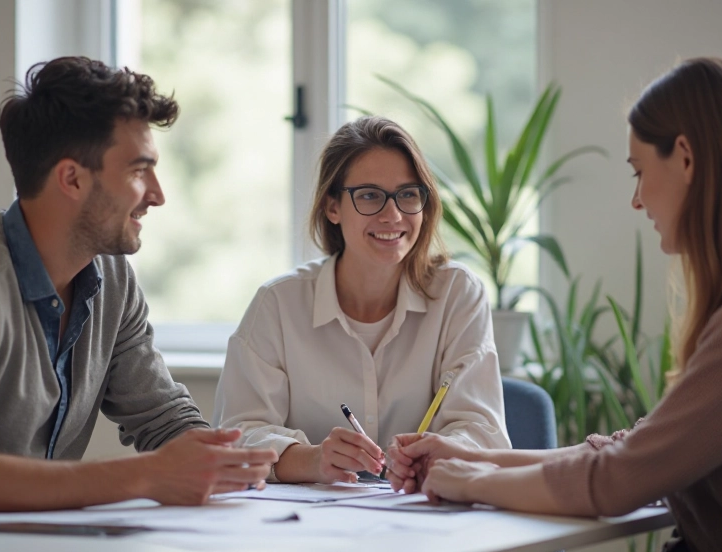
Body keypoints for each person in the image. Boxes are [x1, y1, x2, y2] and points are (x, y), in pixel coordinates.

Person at [387, 57, 722, 552]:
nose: (637, 200)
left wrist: (467, 484)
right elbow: (636, 451)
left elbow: (618, 481)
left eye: (639, 172)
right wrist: (473, 460)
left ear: (685, 157)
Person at [0, 56, 275, 528]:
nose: (157, 194)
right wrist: (147, 476)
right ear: (71, 178)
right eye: (139, 170)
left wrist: (229, 463)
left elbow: (163, 419)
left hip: (27, 551)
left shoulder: (110, 275)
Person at [212, 116, 510, 486]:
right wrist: (312, 458)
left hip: (426, 520)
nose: (393, 215)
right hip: (310, 528)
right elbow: (236, 437)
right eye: (369, 195)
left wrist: (438, 453)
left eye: (408, 194)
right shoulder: (277, 305)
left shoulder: (457, 294)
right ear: (332, 207)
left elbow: (484, 432)